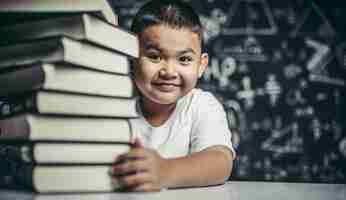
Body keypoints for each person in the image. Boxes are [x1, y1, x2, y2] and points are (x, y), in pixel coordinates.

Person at [111, 0, 236, 192]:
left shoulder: (202, 105)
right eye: (154, 56)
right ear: (132, 58)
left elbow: (221, 162)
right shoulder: (112, 103)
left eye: (184, 59)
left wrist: (164, 171)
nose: (169, 71)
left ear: (201, 65)